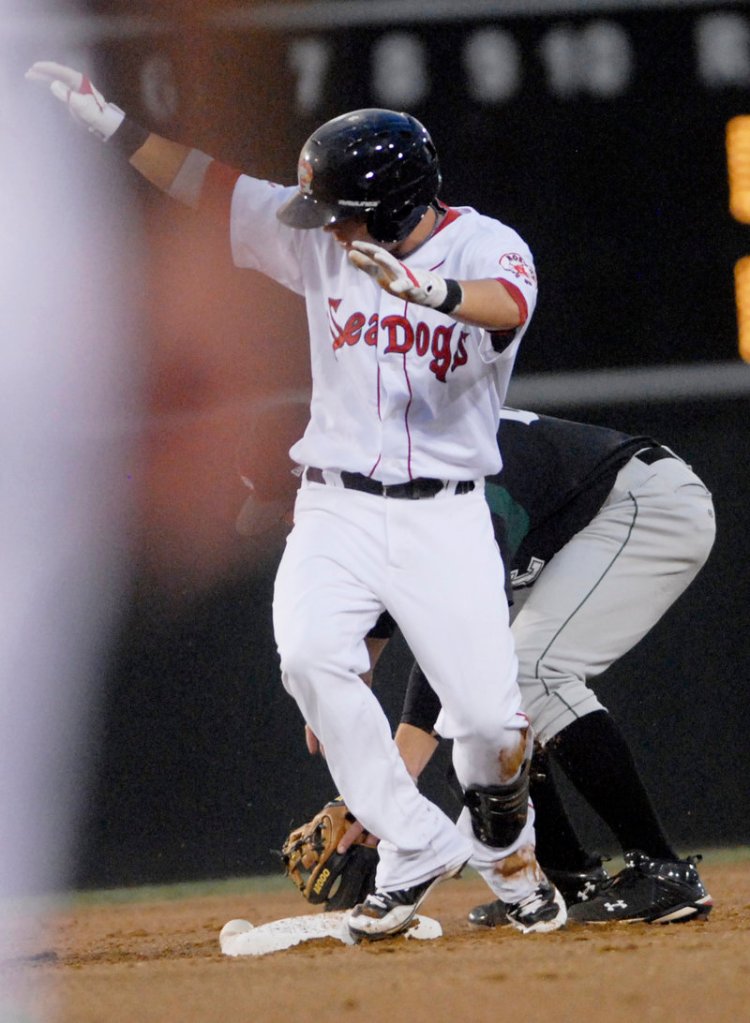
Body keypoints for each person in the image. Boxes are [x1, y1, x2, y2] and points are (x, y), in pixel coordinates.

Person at [27, 63, 566, 939]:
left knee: (490, 735)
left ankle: (511, 857)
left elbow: (510, 304)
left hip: (444, 513)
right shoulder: (321, 239)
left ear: (391, 206)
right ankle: (412, 843)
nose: (325, 222)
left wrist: (426, 292)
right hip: (336, 505)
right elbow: (213, 186)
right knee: (311, 655)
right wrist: (112, 124)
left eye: (342, 207)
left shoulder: (484, 246)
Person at [238, 400, 716, 925]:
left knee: (526, 675)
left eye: (289, 502)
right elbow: (365, 647)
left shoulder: (445, 476)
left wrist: (387, 788)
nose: (289, 520)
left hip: (642, 502)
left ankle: (664, 872)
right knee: (481, 735)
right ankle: (569, 880)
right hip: (578, 523)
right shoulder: (389, 486)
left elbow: (464, 638)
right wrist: (347, 737)